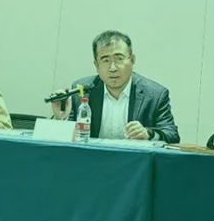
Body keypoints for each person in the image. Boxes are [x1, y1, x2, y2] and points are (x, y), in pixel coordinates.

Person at [51, 30, 180, 143]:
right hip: (92, 160)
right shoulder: (82, 91)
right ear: (96, 65)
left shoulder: (154, 94)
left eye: (119, 59)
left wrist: (148, 134)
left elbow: (172, 135)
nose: (113, 68)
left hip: (134, 161)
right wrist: (62, 118)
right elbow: (70, 139)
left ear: (132, 60)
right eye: (105, 60)